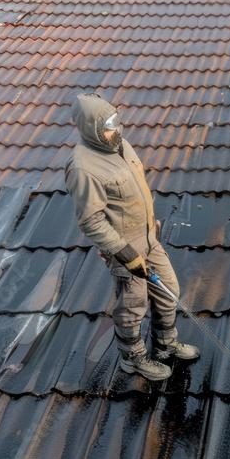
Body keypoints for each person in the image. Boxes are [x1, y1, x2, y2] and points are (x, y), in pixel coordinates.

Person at [65, 93, 199, 381]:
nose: (118, 130)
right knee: (133, 304)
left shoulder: (120, 146)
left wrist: (150, 225)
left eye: (117, 122)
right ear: (91, 128)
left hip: (149, 238)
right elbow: (90, 220)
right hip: (125, 248)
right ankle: (133, 358)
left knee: (169, 290)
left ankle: (165, 345)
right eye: (109, 126)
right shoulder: (83, 168)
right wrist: (123, 253)